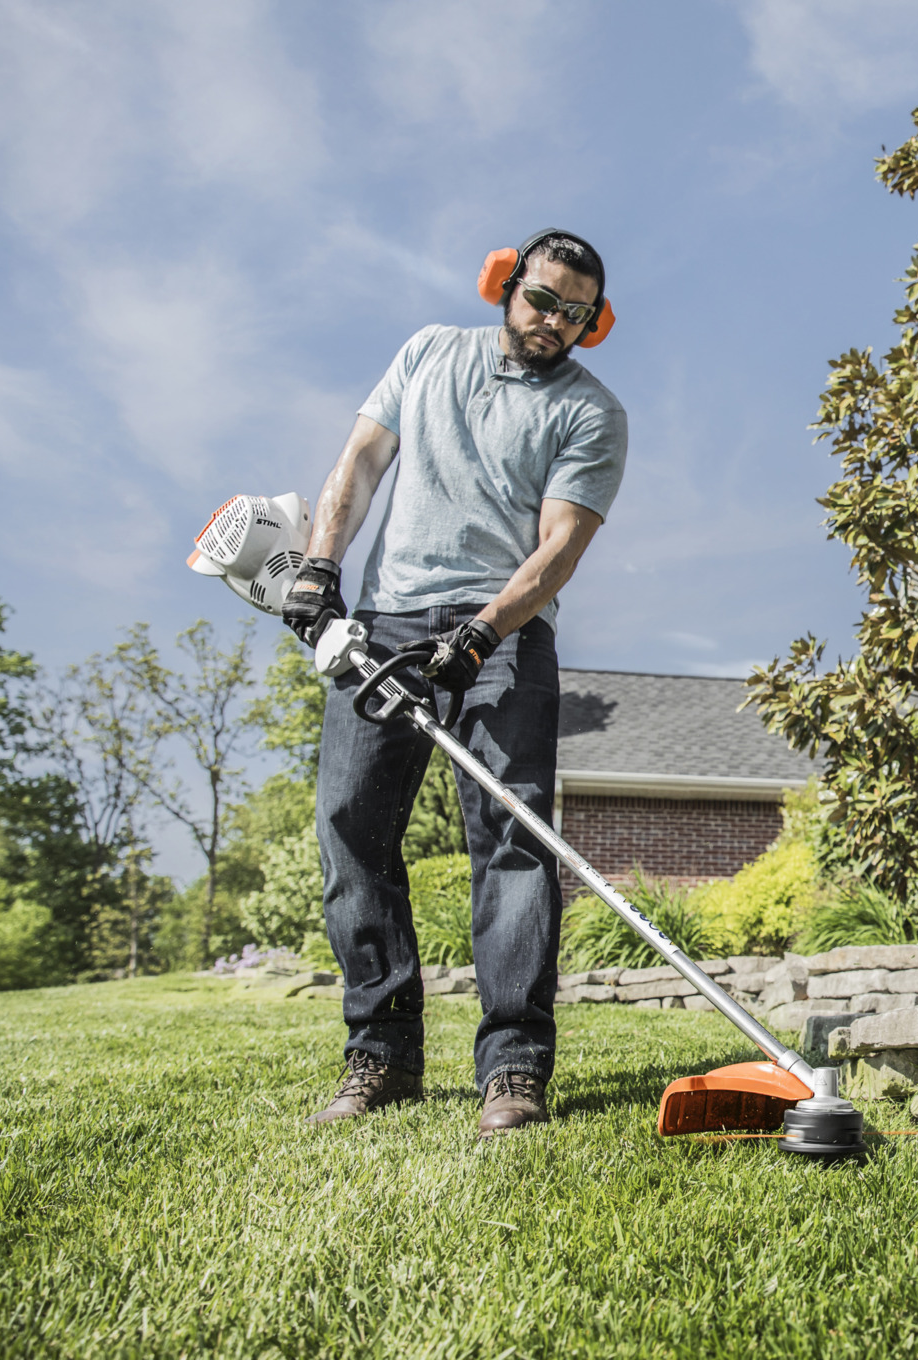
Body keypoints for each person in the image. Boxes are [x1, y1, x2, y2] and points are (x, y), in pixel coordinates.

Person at [282, 229, 627, 1137]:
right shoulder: (430, 351)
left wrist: (482, 632)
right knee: (351, 826)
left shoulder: (592, 413)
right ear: (505, 285)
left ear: (593, 324)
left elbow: (558, 548)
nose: (553, 320)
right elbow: (358, 462)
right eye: (542, 299)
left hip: (508, 633)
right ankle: (381, 1055)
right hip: (389, 624)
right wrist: (322, 567)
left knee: (512, 834)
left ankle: (513, 1068)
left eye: (575, 313)